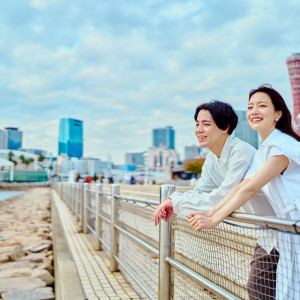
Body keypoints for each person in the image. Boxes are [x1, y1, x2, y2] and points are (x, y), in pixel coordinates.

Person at [188, 85, 300, 300]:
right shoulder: (265, 148)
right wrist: (211, 214)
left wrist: (214, 219)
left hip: (293, 225)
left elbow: (251, 188)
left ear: (278, 113)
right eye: (250, 106)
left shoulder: (283, 146)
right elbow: (239, 187)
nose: (254, 111)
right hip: (287, 229)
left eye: (262, 106)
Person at [153, 100, 275, 226]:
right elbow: (201, 191)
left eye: (206, 124)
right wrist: (172, 199)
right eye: (197, 124)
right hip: (265, 230)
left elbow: (226, 195)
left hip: (282, 226)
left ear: (225, 127)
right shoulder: (211, 157)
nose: (199, 130)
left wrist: (176, 203)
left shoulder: (241, 152)